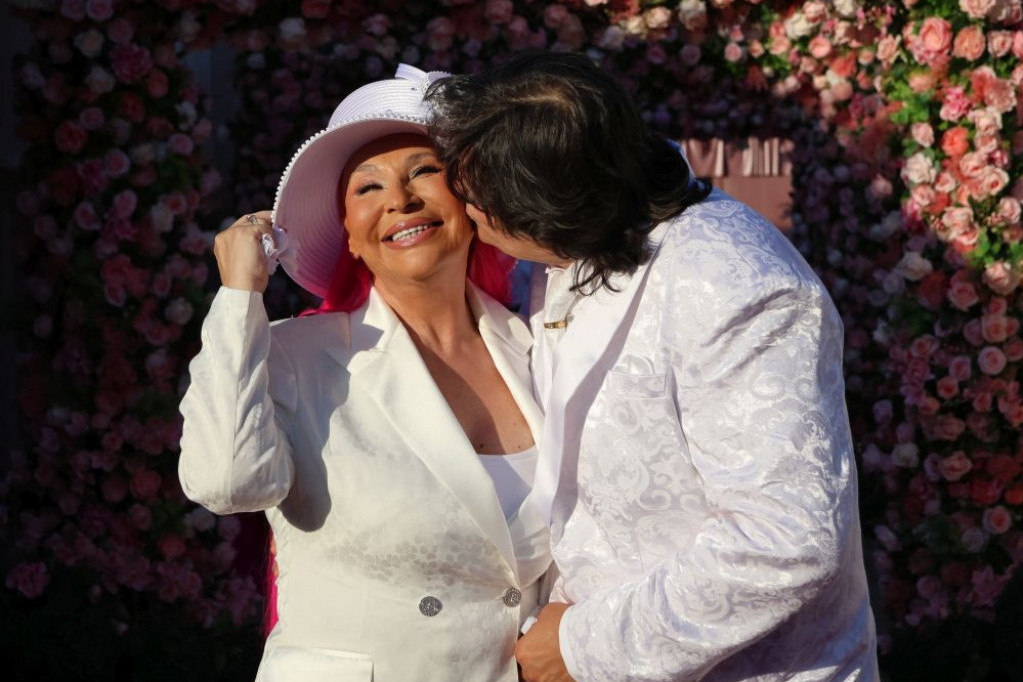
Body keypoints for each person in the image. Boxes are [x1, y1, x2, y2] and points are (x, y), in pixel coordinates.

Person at [427, 51, 879, 682]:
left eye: (481, 202)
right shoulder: (582, 235)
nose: (465, 208)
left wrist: (584, 646)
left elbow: (787, 541)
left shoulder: (736, 287)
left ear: (550, 213)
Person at [177, 64, 551, 682]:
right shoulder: (293, 355)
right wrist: (240, 294)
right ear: (348, 236)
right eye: (368, 187)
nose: (400, 200)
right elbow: (226, 483)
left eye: (423, 171)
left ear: (471, 201)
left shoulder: (539, 349)